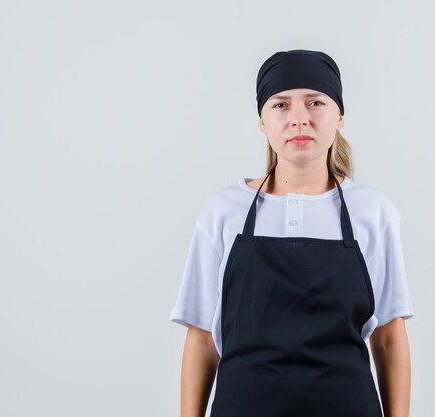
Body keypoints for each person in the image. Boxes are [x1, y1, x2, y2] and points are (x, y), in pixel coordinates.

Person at [169, 49, 415, 417]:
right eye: (281, 105)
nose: (299, 119)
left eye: (315, 102)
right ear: (262, 122)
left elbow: (389, 339)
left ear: (340, 117)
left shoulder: (372, 211)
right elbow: (203, 339)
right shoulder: (223, 210)